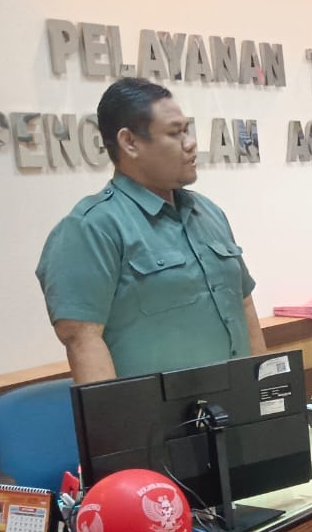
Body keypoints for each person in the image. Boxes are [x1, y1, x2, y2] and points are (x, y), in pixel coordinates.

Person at [36, 77, 265, 384]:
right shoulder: (92, 228)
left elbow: (244, 304)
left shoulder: (208, 212)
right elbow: (83, 341)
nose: (190, 143)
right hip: (157, 414)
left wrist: (266, 395)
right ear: (129, 142)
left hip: (236, 404)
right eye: (174, 133)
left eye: (187, 130)